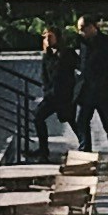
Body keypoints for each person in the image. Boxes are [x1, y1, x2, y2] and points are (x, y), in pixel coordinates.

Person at [75, 16, 108, 168]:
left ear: (93, 26)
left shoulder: (106, 43)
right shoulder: (83, 43)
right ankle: (85, 154)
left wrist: (105, 79)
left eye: (83, 28)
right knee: (82, 121)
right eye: (79, 29)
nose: (81, 32)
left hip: (102, 90)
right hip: (86, 90)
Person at [36, 22, 80, 151]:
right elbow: (44, 76)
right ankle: (43, 151)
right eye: (45, 37)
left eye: (50, 37)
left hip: (65, 96)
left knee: (72, 121)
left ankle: (85, 146)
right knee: (38, 117)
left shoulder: (67, 53)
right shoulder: (47, 56)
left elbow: (80, 67)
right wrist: (46, 91)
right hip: (51, 96)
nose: (47, 40)